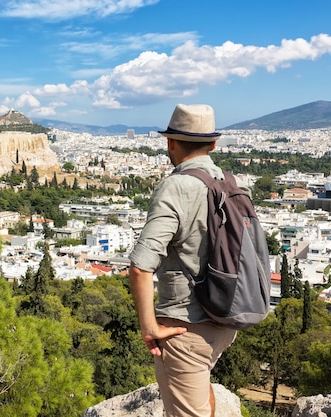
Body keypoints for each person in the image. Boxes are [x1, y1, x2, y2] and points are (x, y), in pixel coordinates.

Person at [128, 104, 237, 417]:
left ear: (170, 142)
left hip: (185, 324)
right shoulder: (229, 182)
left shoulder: (175, 187)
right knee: (202, 395)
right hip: (226, 316)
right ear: (213, 144)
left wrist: (150, 327)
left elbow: (140, 266)